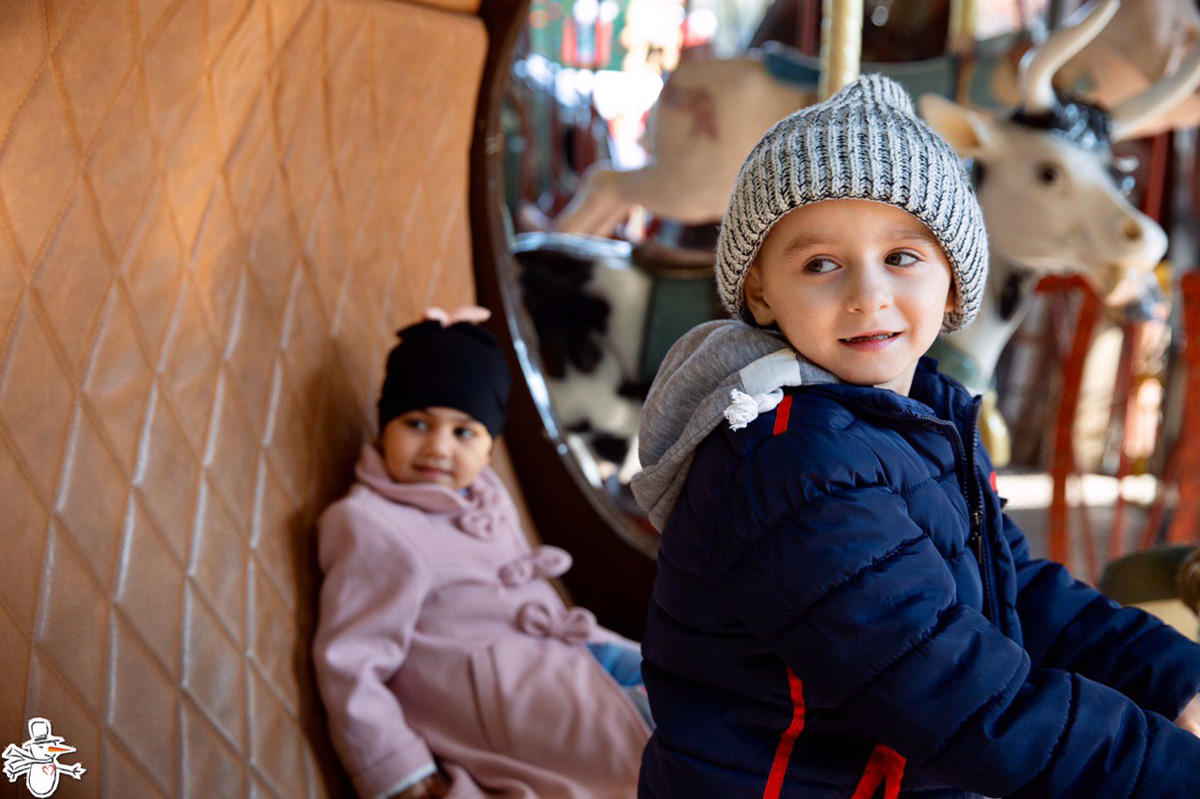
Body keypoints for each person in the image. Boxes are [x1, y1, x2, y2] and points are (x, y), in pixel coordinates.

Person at [629, 74, 1200, 798]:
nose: (868, 294)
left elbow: (1013, 591)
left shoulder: (923, 414)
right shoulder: (790, 461)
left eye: (902, 257)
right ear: (760, 292)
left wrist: (1176, 678)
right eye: (820, 264)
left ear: (955, 283)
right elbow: (957, 698)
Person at [313, 307, 650, 799]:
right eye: (416, 423)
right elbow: (350, 662)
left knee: (696, 687)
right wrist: (396, 771)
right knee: (641, 756)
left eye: (463, 432)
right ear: (383, 425)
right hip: (506, 699)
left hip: (564, 653)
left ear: (490, 448)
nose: (438, 449)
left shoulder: (482, 490)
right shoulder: (371, 524)